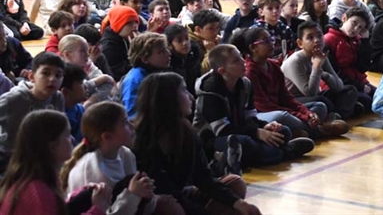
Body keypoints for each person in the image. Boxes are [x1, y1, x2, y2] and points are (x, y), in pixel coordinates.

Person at [134, 72, 263, 215]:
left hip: (182, 194)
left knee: (235, 184)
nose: (190, 96)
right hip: (155, 203)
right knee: (169, 205)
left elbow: (203, 178)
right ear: (167, 99)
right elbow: (167, 191)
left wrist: (240, 204)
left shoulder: (185, 131)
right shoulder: (143, 140)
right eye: (183, 90)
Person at [61, 101, 183, 215]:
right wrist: (133, 194)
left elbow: (138, 205)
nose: (131, 125)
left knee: (168, 203)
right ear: (107, 136)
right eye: (124, 122)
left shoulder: (125, 154)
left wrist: (147, 196)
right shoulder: (93, 168)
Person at [231, 27, 349, 139]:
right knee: (280, 116)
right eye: (266, 41)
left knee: (320, 106)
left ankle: (297, 132)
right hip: (262, 114)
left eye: (271, 39)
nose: (272, 43)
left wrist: (306, 113)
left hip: (281, 108)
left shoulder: (273, 65)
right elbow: (264, 106)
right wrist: (300, 115)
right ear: (253, 48)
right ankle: (319, 130)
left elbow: (286, 97)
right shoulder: (250, 71)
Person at [0, 110, 111, 215]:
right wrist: (98, 210)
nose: (72, 139)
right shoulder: (38, 192)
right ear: (52, 147)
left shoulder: (36, 180)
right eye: (67, 135)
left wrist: (80, 195)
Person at [0, 52, 66, 174]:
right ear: (31, 76)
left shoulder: (58, 98)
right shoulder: (14, 99)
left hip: (39, 157)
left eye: (58, 75)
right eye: (46, 73)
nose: (52, 79)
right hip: (9, 159)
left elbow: (60, 130)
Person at [282, 21, 359, 119]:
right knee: (322, 101)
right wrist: (316, 67)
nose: (317, 40)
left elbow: (339, 86)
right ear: (300, 43)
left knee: (350, 90)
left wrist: (325, 75)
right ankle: (341, 113)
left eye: (319, 36)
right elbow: (310, 93)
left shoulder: (321, 56)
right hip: (293, 100)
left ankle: (336, 115)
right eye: (310, 38)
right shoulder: (295, 61)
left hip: (315, 95)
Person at [324, 7, 375, 112]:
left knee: (380, 97)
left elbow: (363, 67)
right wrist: (360, 87)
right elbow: (333, 72)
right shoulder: (329, 39)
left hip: (358, 81)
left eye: (360, 28)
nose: (356, 29)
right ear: (344, 18)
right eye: (354, 23)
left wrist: (365, 42)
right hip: (340, 84)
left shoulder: (357, 40)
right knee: (367, 101)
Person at [119, 33, 171, 120]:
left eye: (167, 49)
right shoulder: (134, 80)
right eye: (161, 51)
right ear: (145, 58)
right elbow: (132, 115)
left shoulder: (158, 73)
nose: (168, 53)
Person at [100, 5, 140, 82]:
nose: (135, 26)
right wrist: (137, 51)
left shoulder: (127, 37)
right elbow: (121, 74)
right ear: (118, 24)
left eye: (136, 21)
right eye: (129, 23)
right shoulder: (108, 47)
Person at [0, 20, 32, 86]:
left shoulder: (13, 42)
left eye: (5, 35)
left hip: (20, 81)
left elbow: (30, 60)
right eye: (0, 38)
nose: (4, 41)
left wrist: (28, 69)